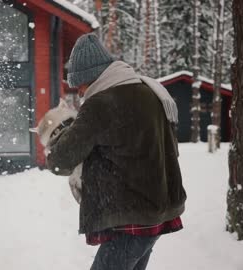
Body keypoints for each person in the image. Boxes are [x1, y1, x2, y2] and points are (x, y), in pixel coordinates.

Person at [45, 33, 187, 270]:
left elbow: (61, 161)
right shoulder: (148, 91)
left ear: (92, 78)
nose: (80, 93)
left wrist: (59, 136)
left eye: (79, 85)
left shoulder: (101, 103)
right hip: (155, 211)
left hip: (131, 218)